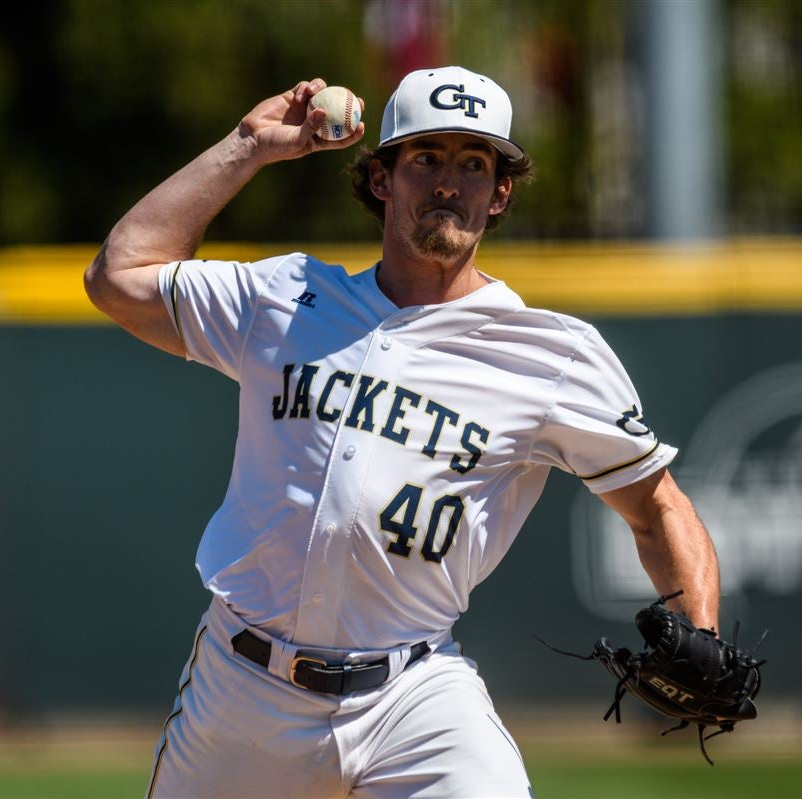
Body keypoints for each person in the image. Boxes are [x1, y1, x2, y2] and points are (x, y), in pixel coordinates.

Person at [85, 66, 720, 799]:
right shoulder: (287, 299)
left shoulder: (550, 355)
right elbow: (118, 274)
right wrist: (248, 146)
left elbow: (658, 503)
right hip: (244, 692)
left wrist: (698, 629)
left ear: (500, 192)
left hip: (414, 698)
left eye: (474, 164)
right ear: (381, 178)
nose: (450, 183)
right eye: (426, 158)